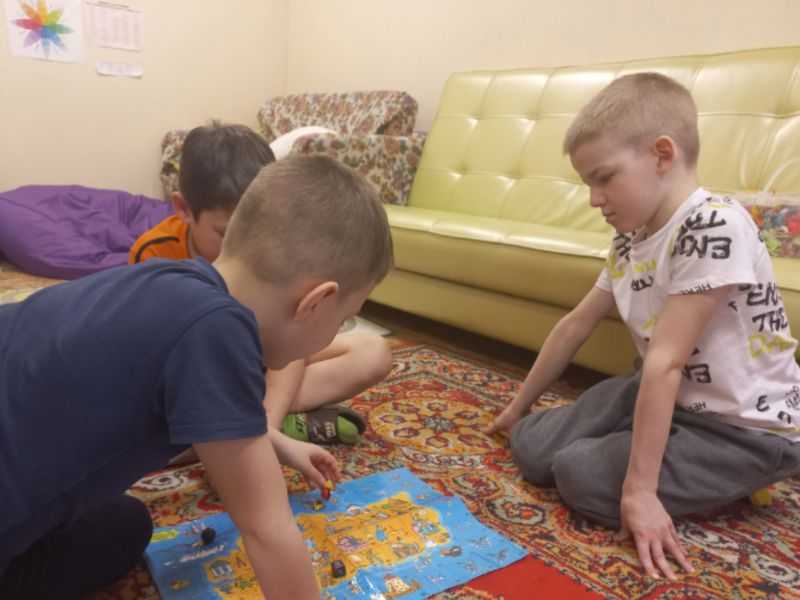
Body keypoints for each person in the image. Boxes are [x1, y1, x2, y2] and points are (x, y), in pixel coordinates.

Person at [0, 156, 394, 599]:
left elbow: (212, 412)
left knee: (125, 525)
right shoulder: (218, 332)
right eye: (343, 320)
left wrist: (275, 443)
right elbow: (266, 529)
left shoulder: (176, 279)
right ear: (316, 302)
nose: (339, 330)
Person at [487, 72, 800, 580]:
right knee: (532, 447)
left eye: (604, 177)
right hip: (667, 395)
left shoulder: (713, 225)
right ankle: (639, 441)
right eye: (587, 183)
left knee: (576, 473)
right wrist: (516, 407)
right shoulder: (629, 239)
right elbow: (575, 326)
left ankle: (742, 476)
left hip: (741, 428)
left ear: (662, 155)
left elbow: (667, 361)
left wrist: (640, 492)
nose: (594, 199)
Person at [131, 121, 392, 448]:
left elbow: (293, 338)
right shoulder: (156, 255)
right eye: (226, 232)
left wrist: (267, 423)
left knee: (372, 352)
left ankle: (262, 425)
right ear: (184, 209)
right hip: (199, 377)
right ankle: (245, 430)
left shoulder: (284, 258)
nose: (247, 245)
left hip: (265, 362)